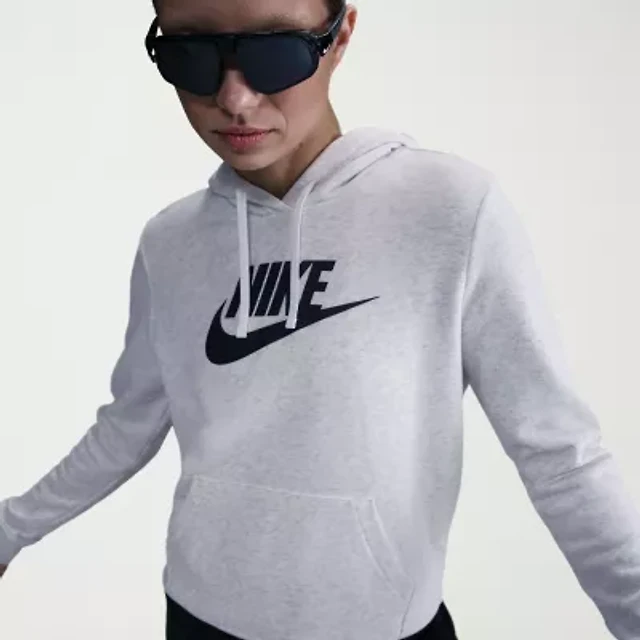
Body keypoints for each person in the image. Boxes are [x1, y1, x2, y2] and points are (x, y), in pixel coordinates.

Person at [2, 0, 640, 638]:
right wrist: (10, 528)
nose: (235, 99)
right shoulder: (170, 241)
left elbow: (557, 450)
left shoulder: (448, 210)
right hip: (198, 615)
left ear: (340, 37)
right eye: (190, 56)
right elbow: (128, 426)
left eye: (274, 52)